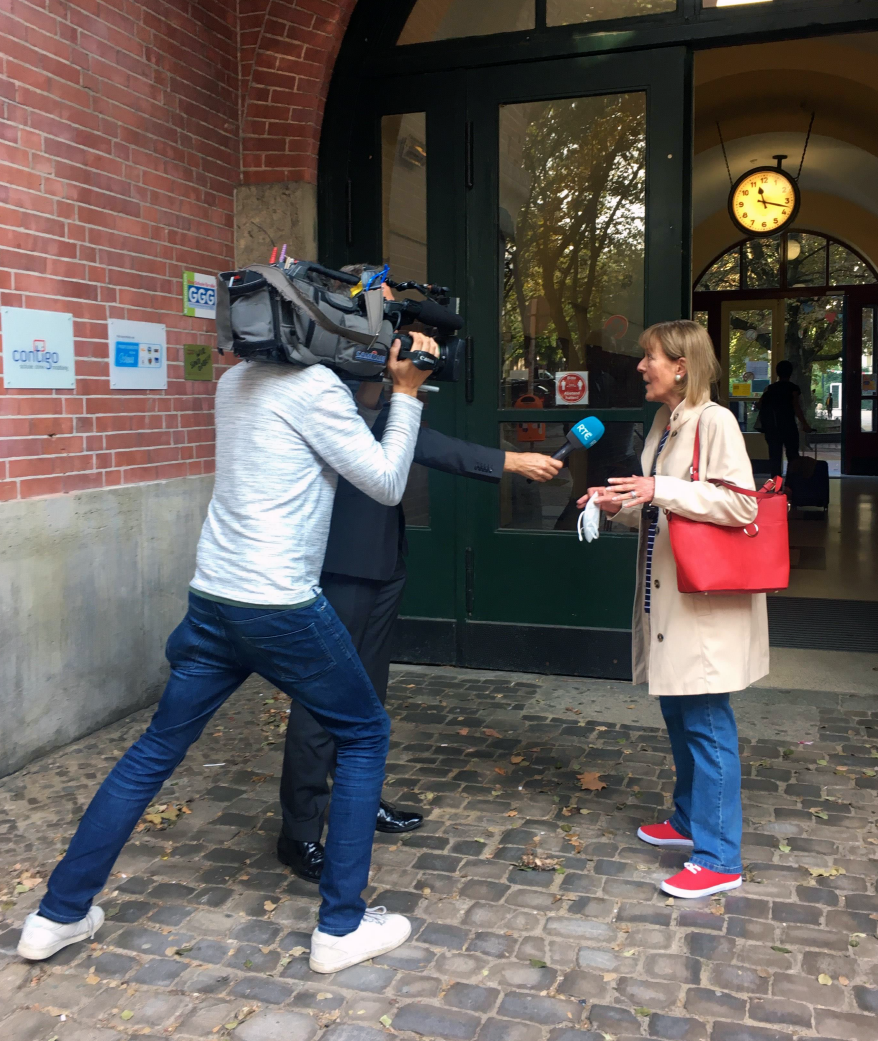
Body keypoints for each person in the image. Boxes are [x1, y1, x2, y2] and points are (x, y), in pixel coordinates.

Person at [18, 331, 442, 975]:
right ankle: (341, 927)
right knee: (363, 733)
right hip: (280, 605)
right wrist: (406, 393)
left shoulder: (235, 380)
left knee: (155, 748)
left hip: (215, 595)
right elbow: (384, 481)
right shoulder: (316, 387)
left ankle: (57, 915)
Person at [278, 279, 563, 882]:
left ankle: (357, 797)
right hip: (339, 566)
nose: (421, 352)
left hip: (383, 560)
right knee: (322, 697)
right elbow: (413, 442)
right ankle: (300, 830)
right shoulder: (325, 383)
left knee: (368, 694)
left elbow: (407, 436)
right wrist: (508, 461)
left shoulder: (376, 388)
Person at [583, 319, 768, 899]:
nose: (640, 367)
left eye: (650, 358)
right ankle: (689, 820)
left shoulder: (715, 421)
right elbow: (666, 508)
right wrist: (618, 503)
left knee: (708, 724)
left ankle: (720, 858)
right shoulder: (665, 423)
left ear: (682, 366)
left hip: (704, 607)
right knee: (679, 714)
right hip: (669, 599)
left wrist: (657, 489)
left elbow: (740, 505)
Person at [757, 360, 811, 477]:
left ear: (777, 373)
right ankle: (791, 483)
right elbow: (797, 407)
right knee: (792, 456)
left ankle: (775, 484)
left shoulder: (770, 388)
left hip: (772, 427)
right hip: (788, 426)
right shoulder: (793, 389)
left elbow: (760, 405)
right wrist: (805, 424)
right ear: (790, 373)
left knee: (775, 458)